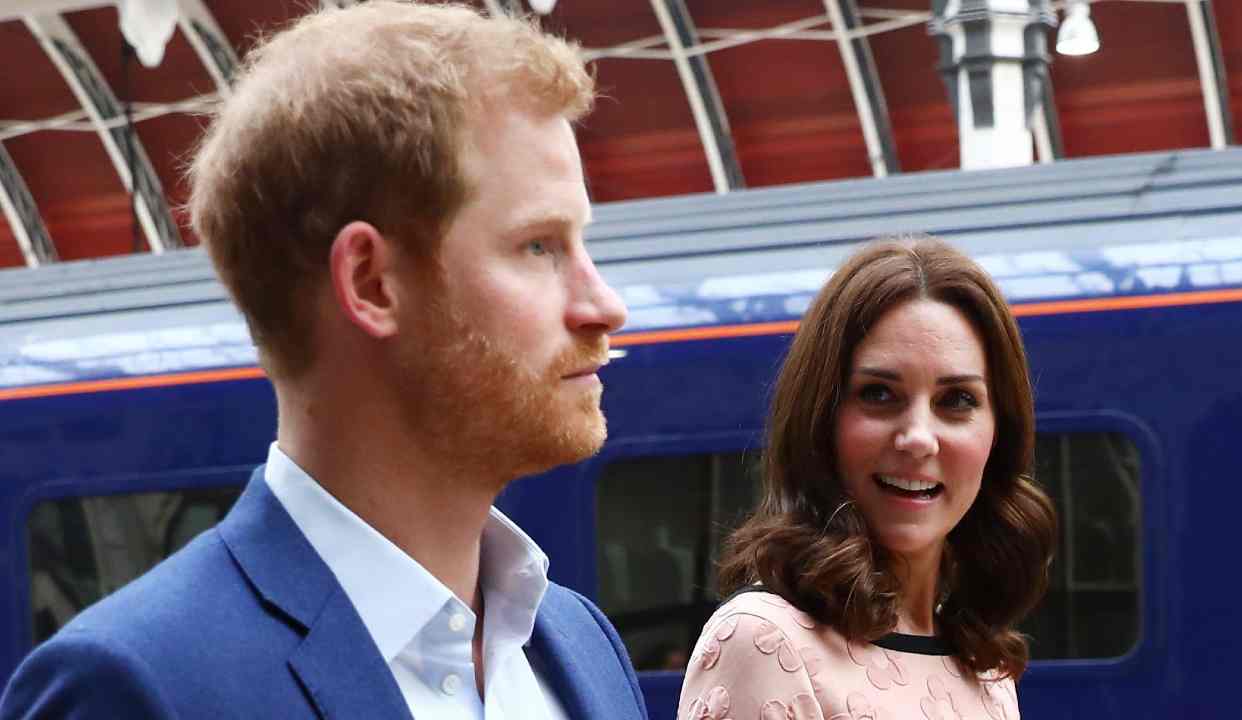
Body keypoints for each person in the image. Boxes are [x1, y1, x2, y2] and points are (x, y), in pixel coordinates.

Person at [0, 3, 647, 719]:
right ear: (371, 282)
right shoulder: (133, 688)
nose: (605, 305)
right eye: (539, 246)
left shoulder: (581, 644)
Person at [678, 238, 1056, 720]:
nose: (918, 438)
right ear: (820, 420)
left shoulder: (983, 667)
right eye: (878, 394)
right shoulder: (765, 641)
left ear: (999, 434)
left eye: (957, 400)